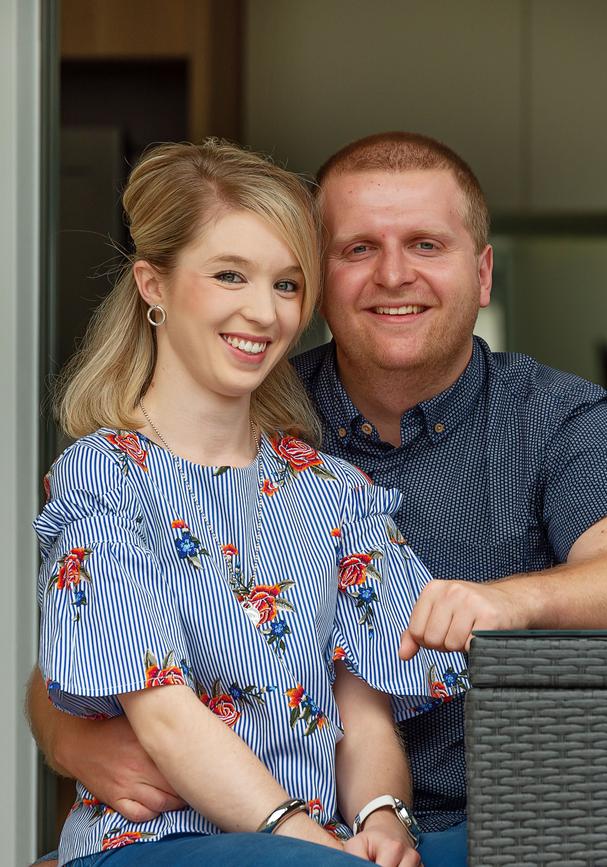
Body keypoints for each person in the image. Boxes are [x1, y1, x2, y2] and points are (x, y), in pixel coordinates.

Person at [29, 130, 607, 855]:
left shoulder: (541, 419)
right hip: (256, 828)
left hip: (479, 811)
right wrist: (69, 734)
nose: (394, 275)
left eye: (426, 244)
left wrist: (509, 602)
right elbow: (86, 654)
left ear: (483, 274)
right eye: (358, 249)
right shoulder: (186, 436)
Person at [30, 139, 469, 867]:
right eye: (230, 274)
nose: (263, 313)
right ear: (154, 285)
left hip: (324, 846)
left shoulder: (336, 491)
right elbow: (166, 720)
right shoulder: (102, 477)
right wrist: (306, 840)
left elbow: (364, 715)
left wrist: (384, 822)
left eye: (288, 285)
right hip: (162, 843)